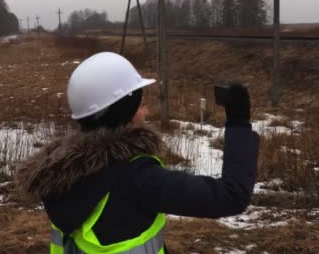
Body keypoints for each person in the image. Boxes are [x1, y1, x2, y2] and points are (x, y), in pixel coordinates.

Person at [16, 52, 260, 253]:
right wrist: (238, 121)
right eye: (141, 104)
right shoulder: (138, 178)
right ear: (123, 111)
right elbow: (232, 195)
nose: (148, 113)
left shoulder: (63, 174)